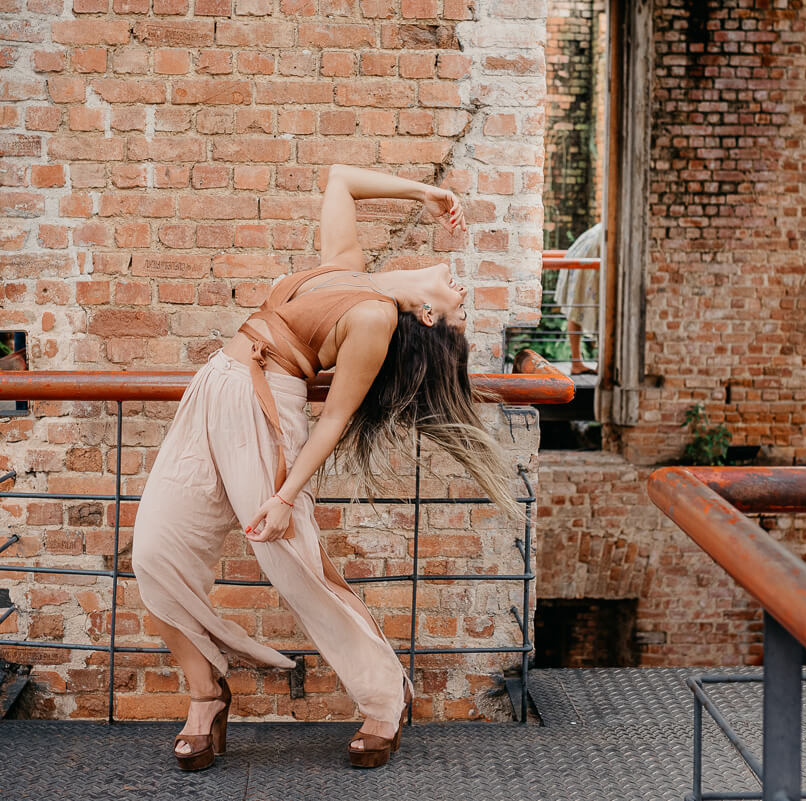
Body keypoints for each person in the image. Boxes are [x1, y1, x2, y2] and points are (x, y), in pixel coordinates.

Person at [130, 164, 520, 771]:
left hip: (265, 412)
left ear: (425, 317)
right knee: (153, 553)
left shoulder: (375, 319)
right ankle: (206, 692)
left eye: (458, 311)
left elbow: (335, 419)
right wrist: (426, 192)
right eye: (465, 304)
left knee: (299, 570)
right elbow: (340, 180)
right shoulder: (344, 270)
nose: (463, 294)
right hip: (210, 392)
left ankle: (383, 701)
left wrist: (285, 496)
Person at [551, 222, 602, 375]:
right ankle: (587, 363)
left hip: (583, 253)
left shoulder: (598, 230)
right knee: (600, 311)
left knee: (578, 308)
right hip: (591, 256)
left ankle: (577, 361)